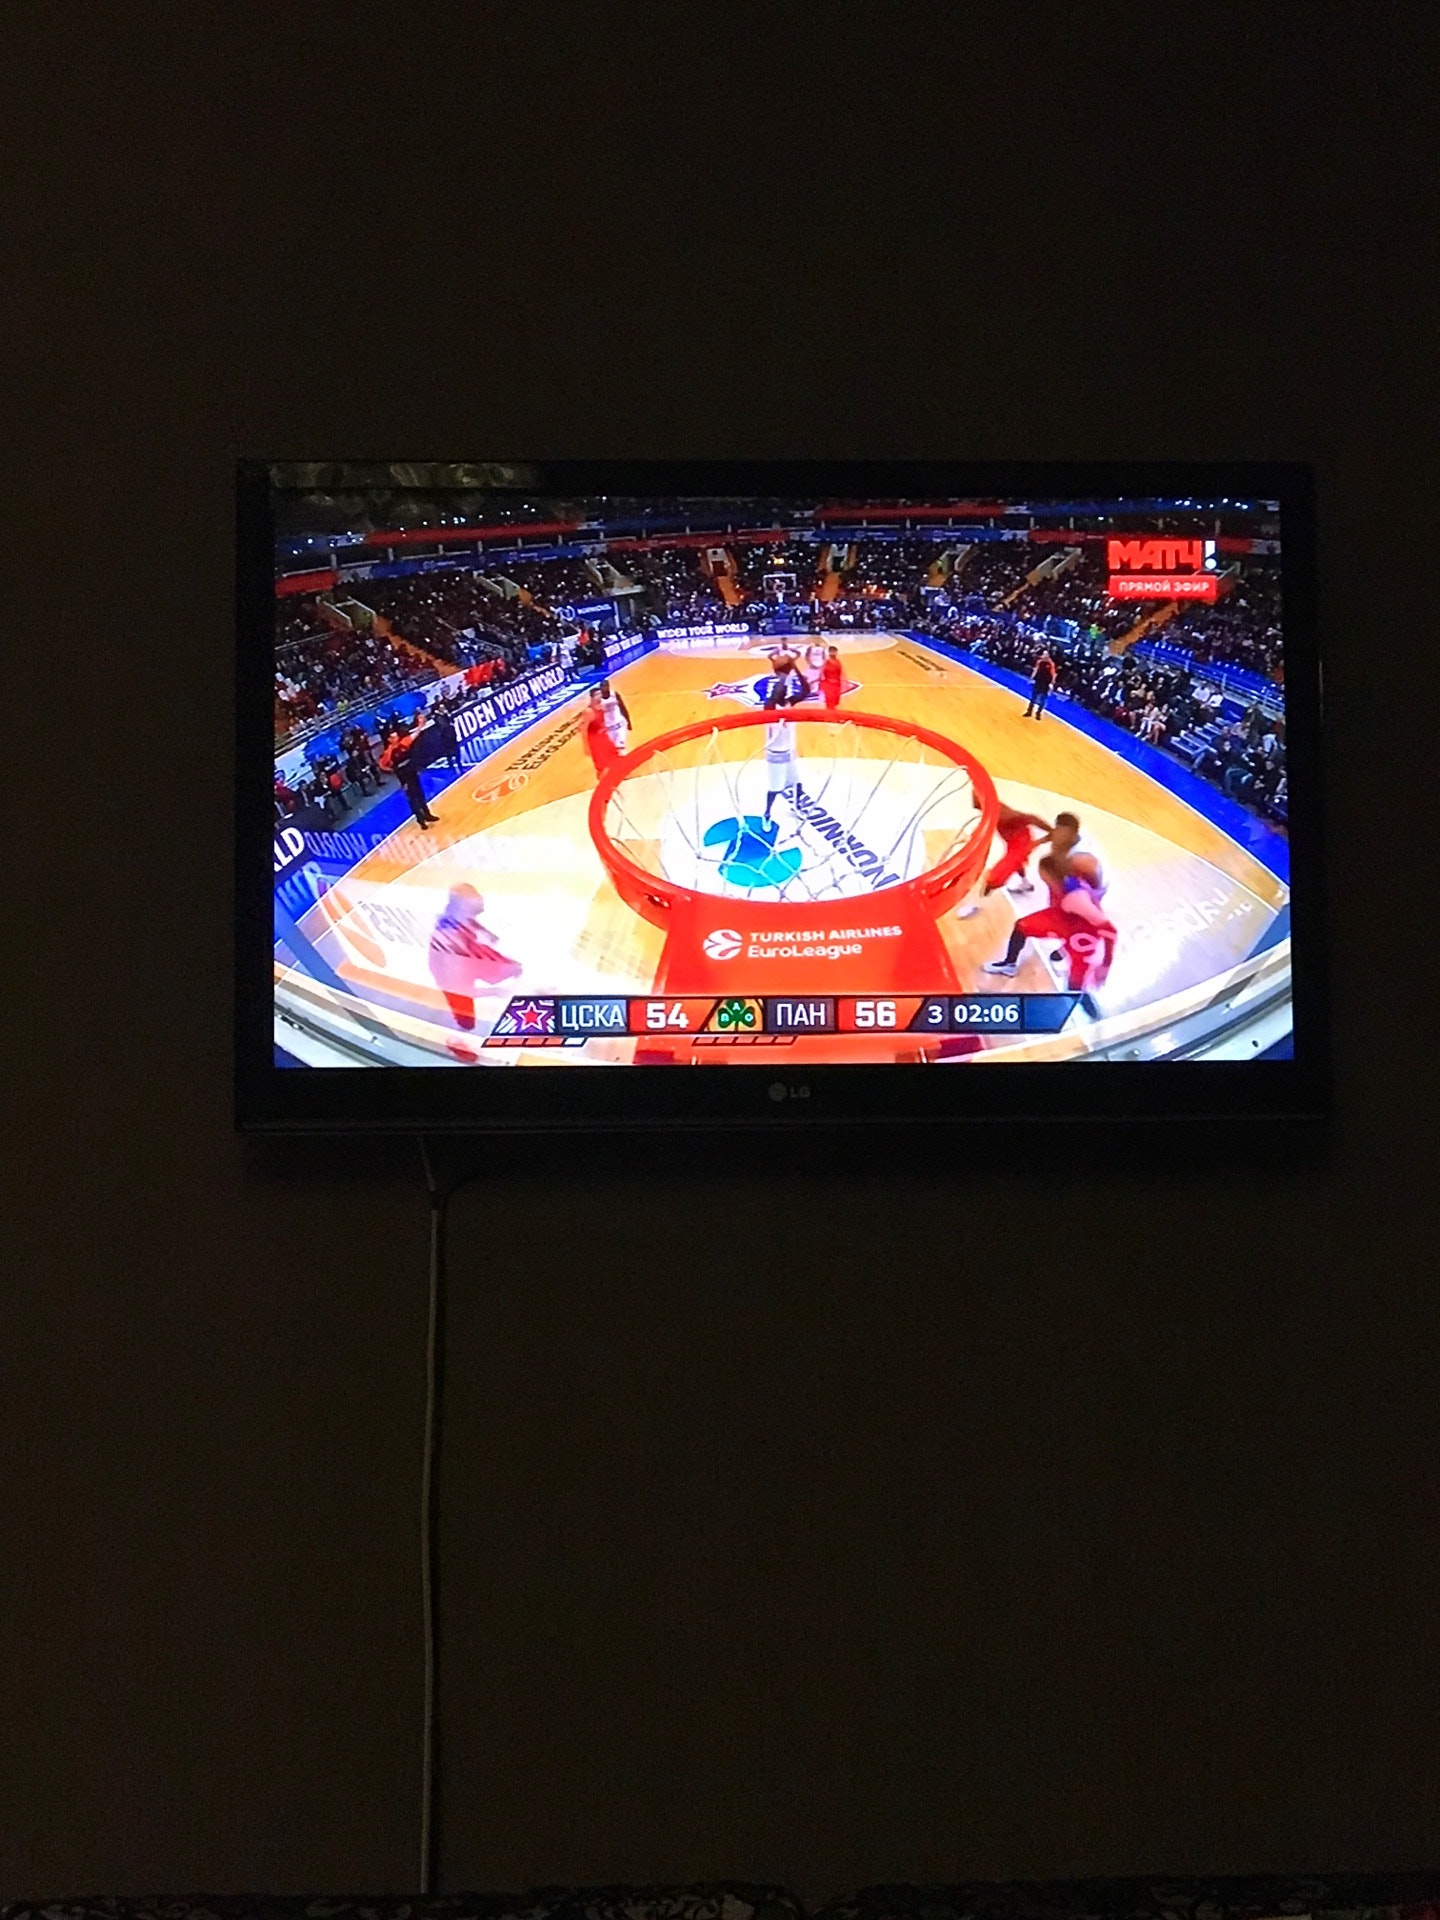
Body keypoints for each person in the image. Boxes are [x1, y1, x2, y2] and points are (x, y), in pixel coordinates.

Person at [983, 812, 1116, 994]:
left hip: (1084, 925)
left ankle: (1076, 995)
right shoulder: (1063, 861)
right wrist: (1036, 843)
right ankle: (1010, 964)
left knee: (1076, 977)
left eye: (1044, 878)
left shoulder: (1082, 866)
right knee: (1022, 926)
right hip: (1065, 912)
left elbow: (1109, 929)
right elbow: (1054, 836)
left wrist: (1105, 965)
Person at [428, 885, 522, 1035]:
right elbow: (462, 989)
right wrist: (494, 992)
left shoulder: (458, 919)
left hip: (462, 958)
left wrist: (486, 932)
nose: (480, 899)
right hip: (456, 966)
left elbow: (468, 922)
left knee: (513, 968)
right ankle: (460, 1033)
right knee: (466, 1023)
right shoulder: (453, 958)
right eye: (475, 898)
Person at [378, 726, 438, 828]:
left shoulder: (403, 743)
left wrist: (420, 726)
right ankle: (420, 819)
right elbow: (381, 765)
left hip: (411, 771)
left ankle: (427, 814)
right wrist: (391, 770)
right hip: (404, 777)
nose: (396, 738)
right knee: (412, 798)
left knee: (420, 794)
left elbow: (413, 736)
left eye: (396, 736)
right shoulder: (389, 752)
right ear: (389, 739)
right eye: (394, 737)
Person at [763, 680, 798, 820]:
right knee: (776, 788)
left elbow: (805, 690)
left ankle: (797, 807)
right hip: (776, 755)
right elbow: (778, 726)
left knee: (797, 784)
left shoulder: (788, 705)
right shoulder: (769, 710)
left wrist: (794, 670)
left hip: (790, 752)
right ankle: (767, 814)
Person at [599, 677, 631, 757]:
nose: (604, 688)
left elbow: (623, 707)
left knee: (621, 749)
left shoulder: (614, 694)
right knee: (612, 752)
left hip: (619, 724)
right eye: (602, 686)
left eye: (605, 686)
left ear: (608, 686)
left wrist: (628, 721)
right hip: (608, 728)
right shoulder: (598, 699)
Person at [1025, 648, 1057, 719]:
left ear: (1048, 655)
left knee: (1042, 699)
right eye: (1043, 654)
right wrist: (1031, 678)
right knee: (1033, 697)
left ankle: (1038, 713)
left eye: (1045, 654)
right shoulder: (1039, 662)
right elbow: (1035, 670)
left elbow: (1053, 674)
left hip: (1045, 684)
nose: (1043, 655)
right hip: (1038, 681)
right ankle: (1029, 711)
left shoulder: (1051, 664)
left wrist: (1052, 683)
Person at [820, 644, 844, 710]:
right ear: (829, 652)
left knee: (835, 702)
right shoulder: (827, 663)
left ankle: (832, 713)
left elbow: (840, 674)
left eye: (834, 652)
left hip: (836, 684)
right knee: (829, 702)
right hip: (829, 684)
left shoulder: (838, 662)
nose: (833, 653)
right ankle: (829, 714)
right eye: (832, 652)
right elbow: (822, 675)